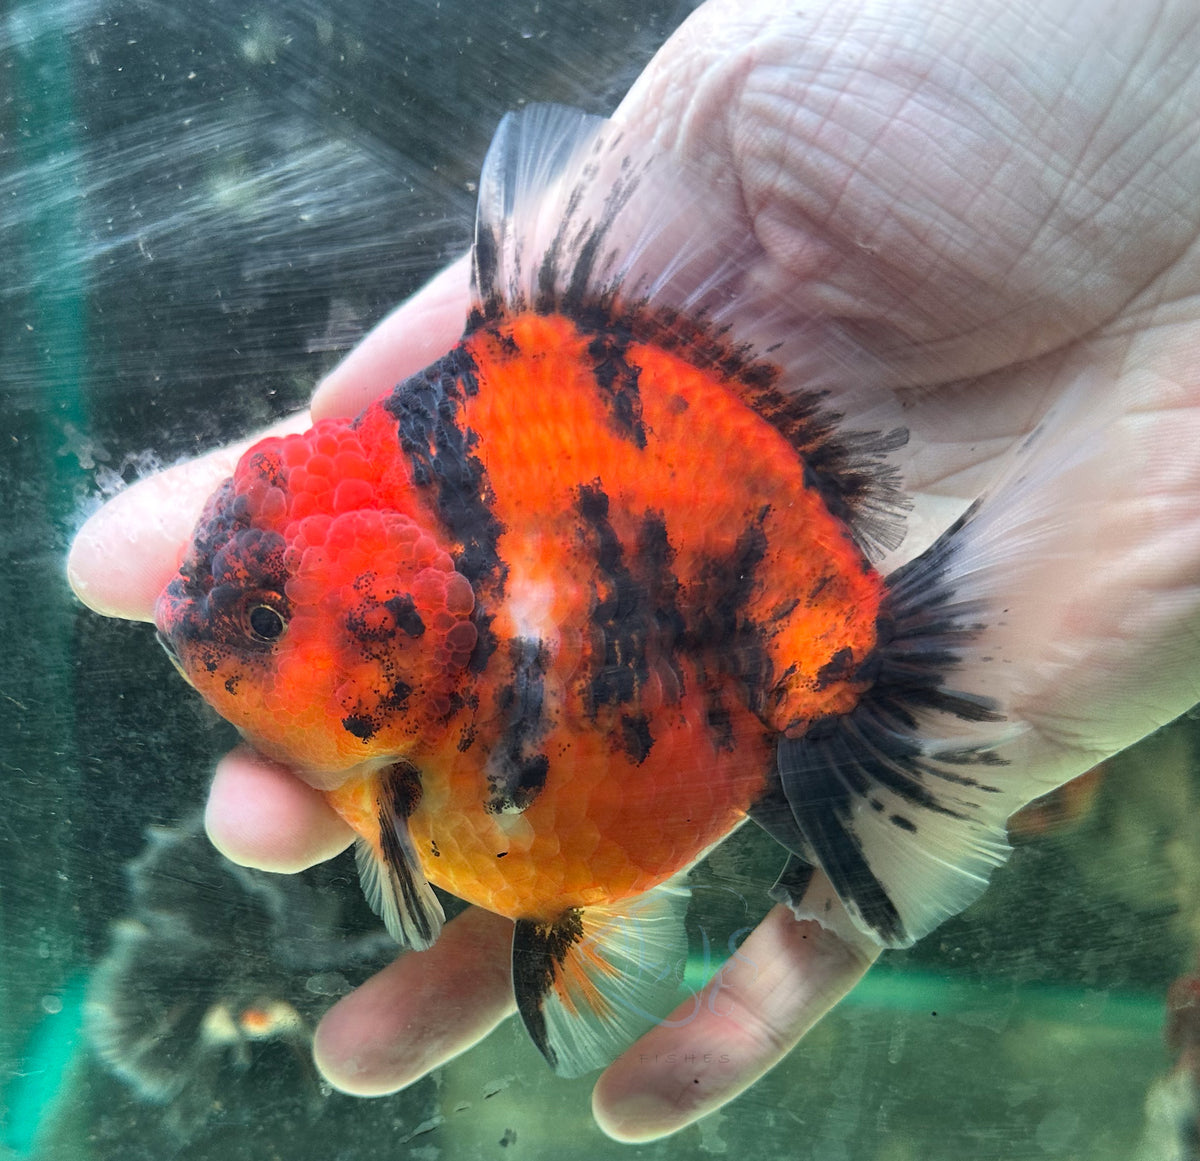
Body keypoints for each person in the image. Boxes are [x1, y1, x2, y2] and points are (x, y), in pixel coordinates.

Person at [67, 0, 1200, 1141]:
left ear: (391, 649)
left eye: (266, 618)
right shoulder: (401, 728)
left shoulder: (409, 762)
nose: (205, 640)